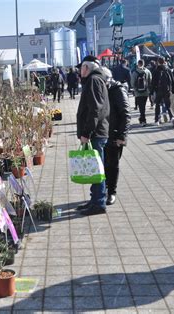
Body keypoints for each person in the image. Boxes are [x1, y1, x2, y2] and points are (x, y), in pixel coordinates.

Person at [75, 55, 110, 215]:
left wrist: (87, 133)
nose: (79, 70)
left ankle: (99, 203)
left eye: (81, 67)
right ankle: (94, 200)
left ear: (87, 68)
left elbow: (95, 109)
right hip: (96, 131)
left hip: (96, 132)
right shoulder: (94, 79)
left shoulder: (94, 80)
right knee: (94, 167)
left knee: (96, 169)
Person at [101, 67, 131, 206]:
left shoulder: (118, 90)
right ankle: (104, 190)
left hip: (114, 134)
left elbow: (126, 114)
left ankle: (112, 192)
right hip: (103, 133)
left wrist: (122, 136)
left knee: (112, 165)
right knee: (103, 164)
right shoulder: (103, 90)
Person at [151, 57, 174, 127]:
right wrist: (172, 90)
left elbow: (153, 82)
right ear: (164, 61)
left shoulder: (156, 70)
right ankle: (172, 117)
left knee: (158, 104)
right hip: (167, 90)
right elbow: (172, 80)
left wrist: (152, 92)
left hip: (158, 90)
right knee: (168, 105)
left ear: (158, 62)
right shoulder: (168, 69)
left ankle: (157, 120)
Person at [131, 59, 152, 126]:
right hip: (145, 92)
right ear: (144, 64)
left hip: (138, 92)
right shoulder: (147, 71)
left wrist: (135, 89)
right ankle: (142, 119)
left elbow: (132, 83)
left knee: (141, 107)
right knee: (144, 106)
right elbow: (150, 81)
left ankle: (143, 120)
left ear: (138, 64)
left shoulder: (135, 72)